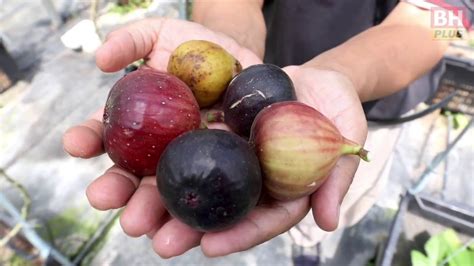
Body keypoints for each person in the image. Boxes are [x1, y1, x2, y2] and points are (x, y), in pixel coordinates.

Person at [62, 0, 471, 259]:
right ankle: (306, 248)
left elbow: (446, 19)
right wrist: (229, 50)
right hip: (259, 83)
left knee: (339, 206)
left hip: (373, 106)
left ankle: (312, 249)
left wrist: (338, 74)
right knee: (297, 208)